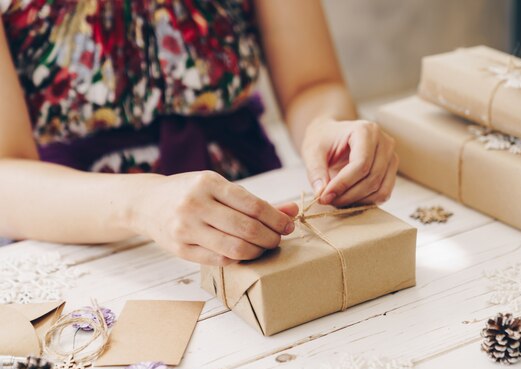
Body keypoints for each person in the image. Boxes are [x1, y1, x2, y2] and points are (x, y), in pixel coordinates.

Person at [0, 0, 398, 266]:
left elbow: (312, 85)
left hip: (251, 205)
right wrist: (144, 202)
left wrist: (327, 127)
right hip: (80, 226)